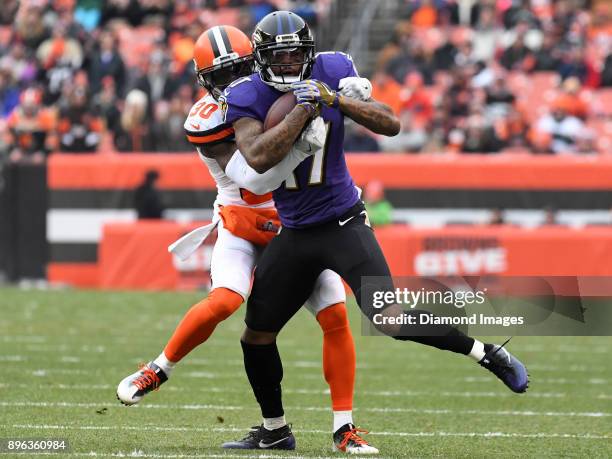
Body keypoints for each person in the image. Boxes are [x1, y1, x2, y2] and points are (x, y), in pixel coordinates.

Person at [220, 10, 529, 452]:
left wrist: (337, 99)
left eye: (296, 56)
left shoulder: (333, 69)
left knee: (389, 318)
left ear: (309, 55)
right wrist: (304, 111)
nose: (289, 65)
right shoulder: (247, 94)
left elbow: (390, 123)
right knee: (256, 335)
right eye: (279, 57)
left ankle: (486, 353)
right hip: (294, 232)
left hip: (343, 221)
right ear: (261, 60)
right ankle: (274, 431)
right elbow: (257, 156)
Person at [117, 25, 369, 453]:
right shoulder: (208, 119)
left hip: (297, 223)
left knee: (335, 314)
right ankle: (158, 369)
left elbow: (336, 88)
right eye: (220, 77)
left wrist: (345, 92)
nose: (231, 85)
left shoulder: (281, 89)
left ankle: (344, 426)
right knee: (226, 300)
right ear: (204, 82)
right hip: (243, 219)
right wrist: (300, 143)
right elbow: (254, 176)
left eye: (238, 71)